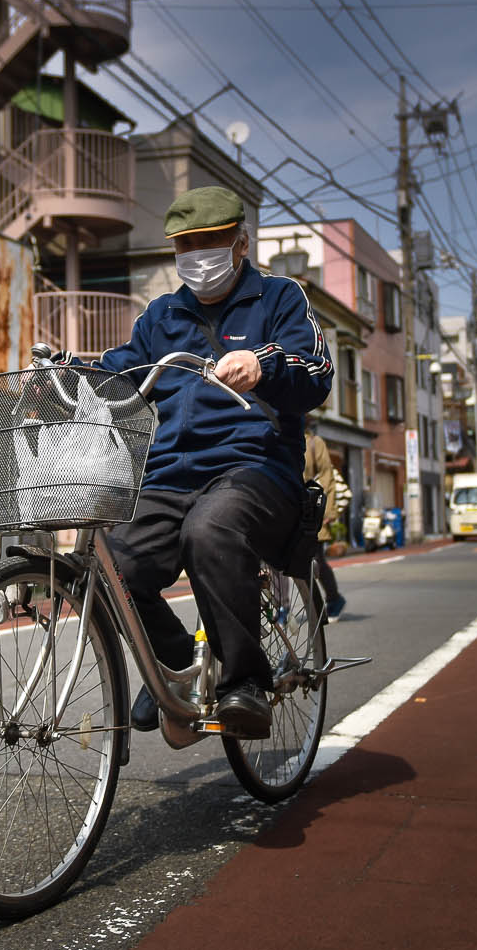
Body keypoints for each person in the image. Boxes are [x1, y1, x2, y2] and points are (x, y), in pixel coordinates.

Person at [93, 186, 333, 739]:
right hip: (170, 474)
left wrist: (263, 362)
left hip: (256, 468)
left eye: (209, 242)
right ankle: (174, 671)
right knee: (116, 563)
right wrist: (64, 380)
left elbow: (316, 371)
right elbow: (123, 373)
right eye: (185, 246)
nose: (195, 256)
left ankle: (244, 683)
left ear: (240, 243)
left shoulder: (280, 298)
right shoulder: (162, 315)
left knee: (211, 529)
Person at [302, 423, 349, 619]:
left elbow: (327, 476)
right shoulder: (278, 434)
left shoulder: (314, 442)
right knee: (300, 561)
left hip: (312, 508)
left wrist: (327, 511)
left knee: (315, 559)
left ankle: (333, 598)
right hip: (291, 507)